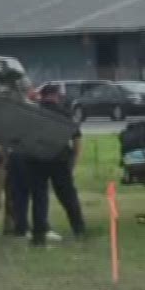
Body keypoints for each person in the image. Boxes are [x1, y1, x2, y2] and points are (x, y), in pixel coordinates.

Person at [21, 84, 88, 246]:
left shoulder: (32, 113)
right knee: (68, 197)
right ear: (56, 95)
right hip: (60, 160)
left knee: (39, 197)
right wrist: (73, 163)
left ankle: (39, 235)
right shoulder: (65, 113)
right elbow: (77, 141)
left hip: (36, 159)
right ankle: (79, 230)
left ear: (42, 96)